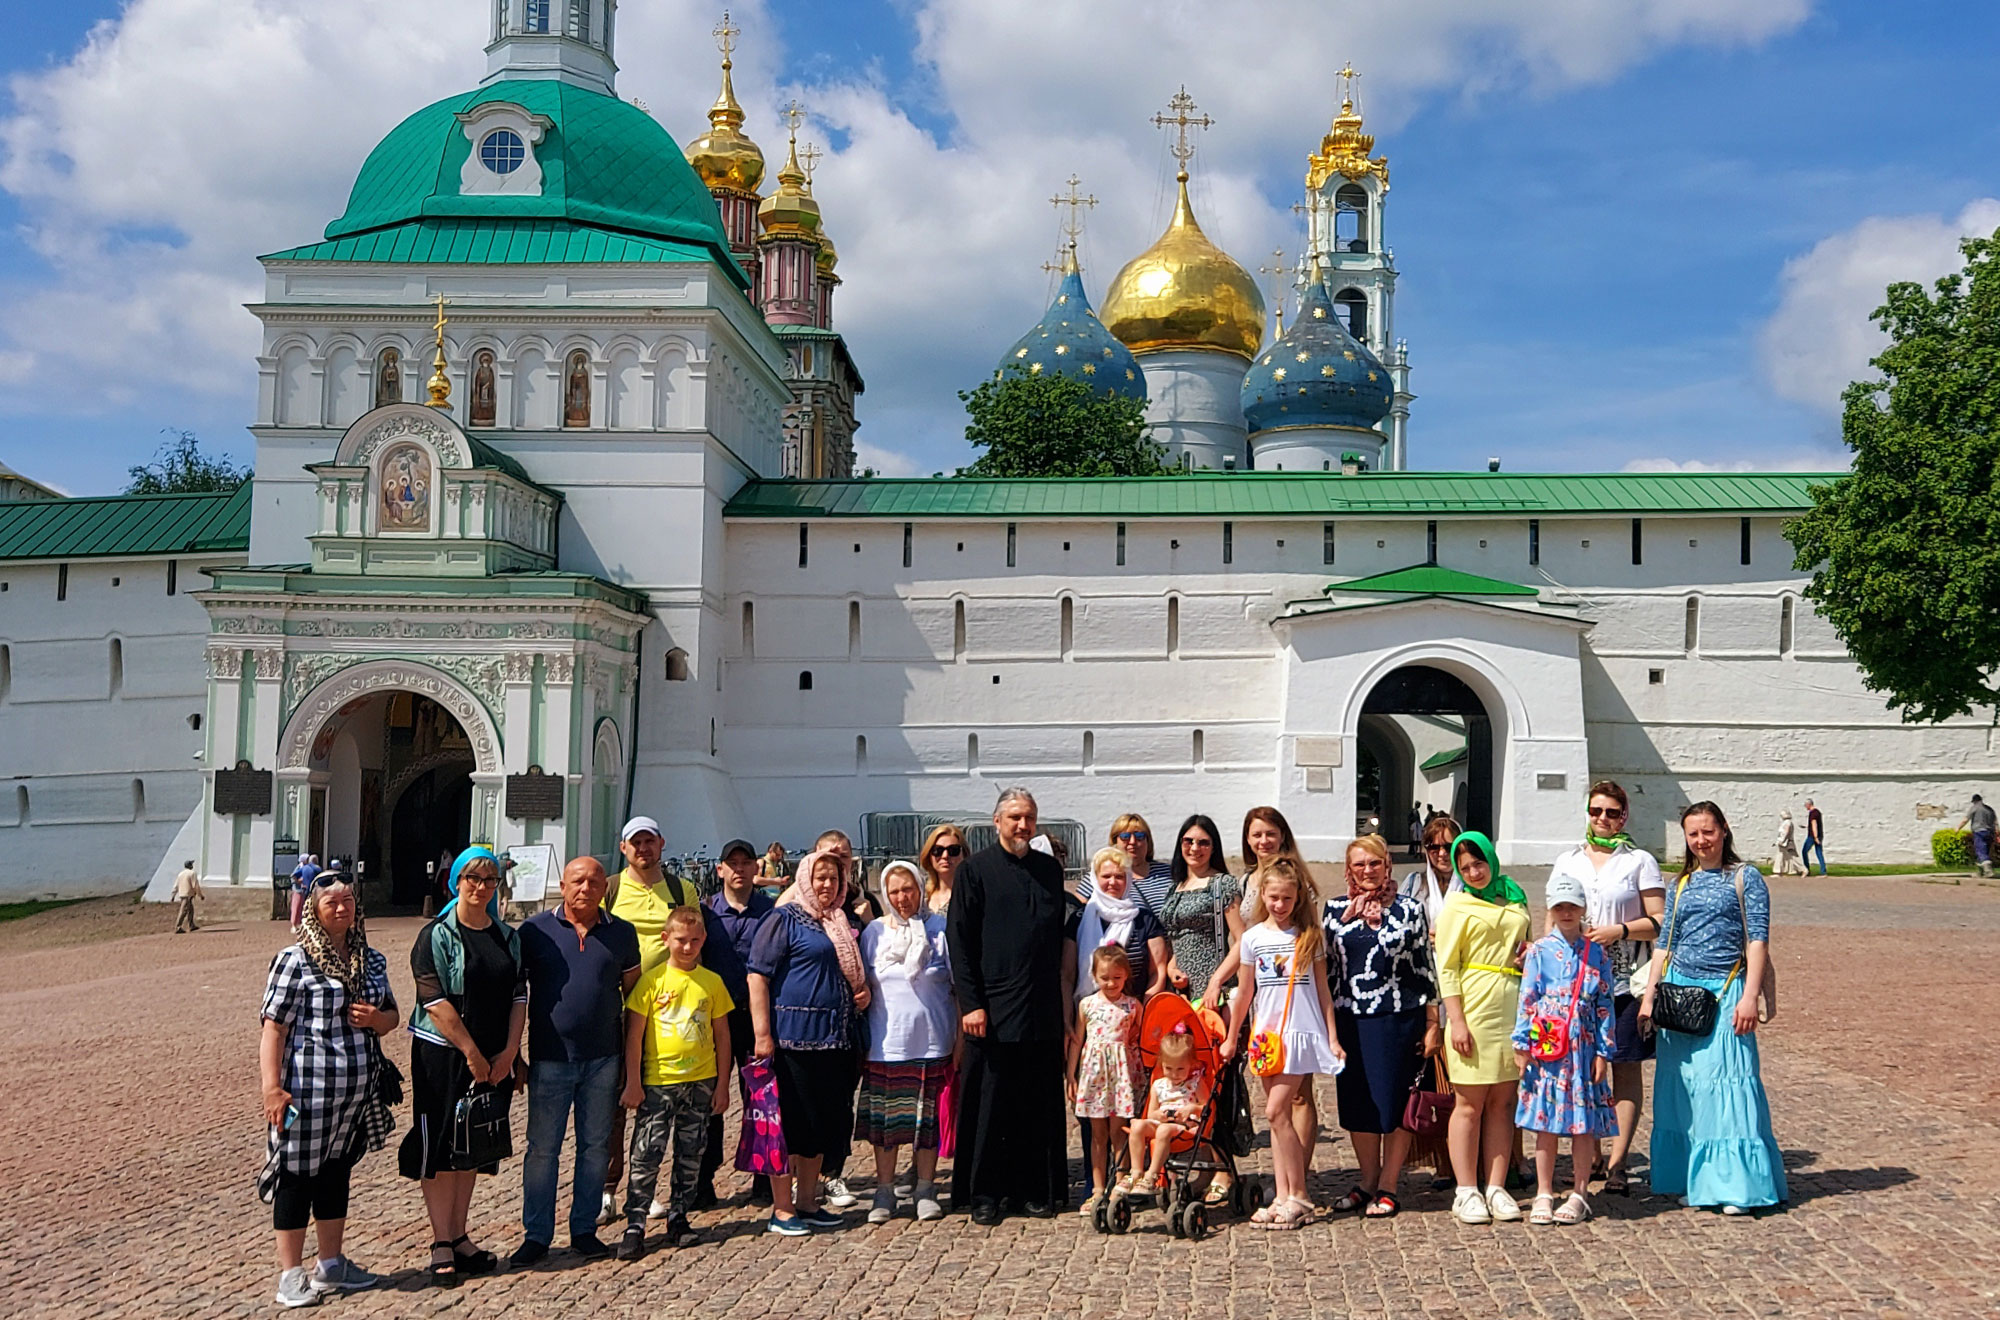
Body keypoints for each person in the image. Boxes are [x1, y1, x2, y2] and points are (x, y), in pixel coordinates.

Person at [258, 870, 397, 1308]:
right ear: (315, 911)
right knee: (297, 1178)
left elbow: (393, 1017)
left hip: (354, 1095)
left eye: (348, 902)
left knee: (336, 1175)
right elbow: (273, 1029)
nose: (341, 909)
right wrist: (271, 1088)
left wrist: (376, 1019)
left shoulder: (370, 961)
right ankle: (290, 1275)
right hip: (305, 1094)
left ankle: (331, 1264)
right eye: (331, 902)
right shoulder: (294, 960)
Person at [1640, 801, 1786, 1215]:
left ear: (1723, 830)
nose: (1701, 841)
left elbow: (1757, 939)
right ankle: (1697, 1178)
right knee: (1687, 1091)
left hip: (1725, 990)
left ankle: (1736, 1186)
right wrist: (1650, 997)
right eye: (1693, 834)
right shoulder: (1680, 883)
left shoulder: (1745, 878)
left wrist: (1749, 995)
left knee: (1725, 1086)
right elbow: (1664, 943)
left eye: (1708, 831)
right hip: (1680, 994)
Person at [601, 815, 745, 1222]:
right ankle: (610, 1188)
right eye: (636, 842)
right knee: (619, 1102)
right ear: (625, 848)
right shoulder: (611, 890)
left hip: (675, 1010)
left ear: (661, 844)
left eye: (650, 841)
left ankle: (680, 1194)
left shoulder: (681, 889)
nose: (643, 848)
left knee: (672, 1110)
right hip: (622, 1006)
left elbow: (695, 932)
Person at [398, 847, 525, 1286]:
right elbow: (432, 1001)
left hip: (493, 1057)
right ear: (457, 882)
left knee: (471, 1142)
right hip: (445, 1056)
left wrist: (510, 1051)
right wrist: (471, 1053)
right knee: (440, 1146)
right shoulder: (435, 936)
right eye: (472, 878)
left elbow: (518, 996)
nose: (481, 887)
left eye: (489, 880)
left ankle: (460, 1234)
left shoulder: (508, 937)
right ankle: (440, 1241)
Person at [946, 787, 1070, 1224]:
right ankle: (985, 1193)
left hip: (1039, 1008)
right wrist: (971, 1005)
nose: (1023, 825)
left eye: (1030, 818)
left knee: (1035, 1103)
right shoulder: (974, 872)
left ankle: (1035, 1189)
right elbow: (959, 944)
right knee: (989, 1104)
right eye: (1015, 817)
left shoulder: (1049, 871)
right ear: (996, 821)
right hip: (991, 1010)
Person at [512, 856, 640, 1266]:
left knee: (594, 1148)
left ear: (605, 888)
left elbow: (633, 999)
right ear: (563, 886)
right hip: (550, 1058)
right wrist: (513, 1052)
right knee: (542, 1150)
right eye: (577, 881)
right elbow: (515, 995)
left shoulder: (622, 933)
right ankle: (537, 1234)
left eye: (594, 881)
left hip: (603, 1057)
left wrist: (630, 1063)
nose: (585, 888)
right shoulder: (534, 932)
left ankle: (584, 1228)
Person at [1547, 780, 1665, 1196]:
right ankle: (1590, 1155)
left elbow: (1660, 920)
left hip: (1624, 980)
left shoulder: (1640, 861)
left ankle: (1618, 1162)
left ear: (1624, 816)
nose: (1603, 819)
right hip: (1579, 983)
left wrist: (1620, 929)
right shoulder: (1569, 860)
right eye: (1596, 811)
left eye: (1611, 812)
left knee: (1624, 1067)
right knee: (1583, 1071)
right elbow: (1552, 918)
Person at [747, 848, 868, 1235]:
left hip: (835, 1039)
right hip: (792, 1040)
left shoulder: (841, 921)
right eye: (820, 877)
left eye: (834, 878)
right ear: (805, 879)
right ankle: (782, 1209)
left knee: (820, 1124)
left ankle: (808, 1200)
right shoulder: (784, 918)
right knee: (791, 1125)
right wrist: (762, 1034)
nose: (827, 885)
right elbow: (757, 976)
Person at [1217, 858, 1343, 1230]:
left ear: (1296, 898)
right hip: (1266, 1036)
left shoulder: (1308, 937)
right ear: (1264, 897)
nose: (1279, 905)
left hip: (1299, 1033)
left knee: (1276, 1111)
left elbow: (1323, 993)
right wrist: (1231, 1037)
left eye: (1286, 898)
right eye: (1273, 897)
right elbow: (1244, 993)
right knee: (1277, 1118)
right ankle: (1284, 1195)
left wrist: (1332, 1037)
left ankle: (1299, 1193)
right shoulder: (1253, 938)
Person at [1324, 834, 1439, 1220]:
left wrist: (1432, 1022)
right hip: (1349, 1018)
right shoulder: (1334, 910)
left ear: (1387, 865)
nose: (1368, 871)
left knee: (1394, 1104)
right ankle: (1367, 1181)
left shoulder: (1409, 910)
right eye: (1360, 864)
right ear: (1349, 869)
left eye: (1374, 863)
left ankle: (1389, 1184)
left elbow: (1425, 968)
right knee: (1359, 1105)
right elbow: (1326, 970)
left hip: (1397, 1017)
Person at [618, 906, 733, 1257]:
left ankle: (679, 1215)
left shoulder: (711, 982)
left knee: (690, 1152)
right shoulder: (651, 982)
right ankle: (635, 1222)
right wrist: (633, 1082)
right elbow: (634, 1035)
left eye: (695, 941)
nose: (688, 947)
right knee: (646, 1153)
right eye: (681, 940)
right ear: (666, 939)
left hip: (700, 1080)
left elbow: (722, 1037)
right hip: (658, 1081)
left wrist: (723, 1084)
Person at [1435, 830, 1531, 1226]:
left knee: (1503, 1103)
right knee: (1470, 1104)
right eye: (1465, 867)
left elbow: (1526, 942)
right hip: (1474, 1005)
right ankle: (1465, 1188)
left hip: (1512, 1004)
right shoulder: (1456, 905)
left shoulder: (1514, 895)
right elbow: (1447, 965)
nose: (1474, 872)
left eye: (1479, 864)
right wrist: (1456, 1020)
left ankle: (1496, 1184)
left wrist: (1528, 958)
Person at [1512, 874, 1617, 1226]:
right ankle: (1544, 1190)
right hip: (1548, 1048)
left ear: (1583, 908)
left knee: (1582, 1125)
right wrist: (1522, 1044)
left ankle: (1580, 1192)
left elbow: (1605, 1004)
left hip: (1583, 1049)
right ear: (1551, 910)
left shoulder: (1597, 953)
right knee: (1546, 1123)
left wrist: (1603, 1051)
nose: (1567, 912)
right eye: (1560, 906)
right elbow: (1528, 998)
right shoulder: (1540, 951)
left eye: (1573, 906)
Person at [856, 860, 956, 1224]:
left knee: (926, 1123)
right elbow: (862, 982)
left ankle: (926, 1187)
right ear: (886, 893)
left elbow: (957, 986)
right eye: (895, 891)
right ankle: (884, 1190)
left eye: (908, 889)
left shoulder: (940, 929)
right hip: (887, 1042)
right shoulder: (874, 934)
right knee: (887, 1126)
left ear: (919, 888)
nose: (902, 897)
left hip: (932, 1040)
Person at [1231, 805, 1321, 1192]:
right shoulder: (1246, 881)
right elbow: (1245, 941)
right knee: (1279, 1102)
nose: (1263, 840)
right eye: (1256, 835)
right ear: (1248, 841)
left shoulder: (1297, 879)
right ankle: (1288, 1179)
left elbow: (1309, 934)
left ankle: (1298, 1175)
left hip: (1295, 999)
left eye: (1270, 833)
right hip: (1263, 995)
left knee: (1298, 1097)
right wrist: (1222, 979)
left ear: (1282, 835)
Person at [700, 839, 776, 1206]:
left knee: (760, 1098)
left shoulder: (771, 911)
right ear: (720, 870)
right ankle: (703, 1177)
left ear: (756, 869)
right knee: (709, 1099)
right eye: (733, 862)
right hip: (713, 1020)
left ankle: (763, 1176)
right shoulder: (706, 912)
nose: (740, 869)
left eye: (747, 862)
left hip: (754, 1017)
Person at [1067, 944, 1142, 1218]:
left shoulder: (1133, 1006)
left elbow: (1136, 1040)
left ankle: (1119, 1185)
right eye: (1105, 977)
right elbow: (1077, 1041)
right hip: (1094, 1076)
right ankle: (1097, 1188)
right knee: (1097, 1136)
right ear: (1095, 976)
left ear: (1126, 976)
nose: (1111, 983)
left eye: (1117, 978)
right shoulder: (1087, 1005)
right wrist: (1071, 1075)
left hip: (1120, 1078)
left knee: (1118, 1133)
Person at [1118, 1025, 1211, 1209]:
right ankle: (1136, 1172)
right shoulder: (1159, 1085)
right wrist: (1158, 1115)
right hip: (1163, 1123)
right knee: (1137, 1125)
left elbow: (1207, 1107)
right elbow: (1151, 1113)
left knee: (1163, 1129)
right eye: (1169, 1068)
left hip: (1185, 1127)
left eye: (1180, 1069)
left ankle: (1152, 1175)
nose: (1174, 1075)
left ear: (1191, 1065)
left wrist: (1193, 1108)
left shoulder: (1195, 1083)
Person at [1161, 814, 1244, 1005]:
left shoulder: (1223, 884)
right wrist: (1172, 969)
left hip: (1213, 986)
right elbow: (1177, 938)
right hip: (1181, 990)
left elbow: (1241, 940)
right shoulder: (1175, 887)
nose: (1195, 848)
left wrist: (1216, 982)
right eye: (1188, 841)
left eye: (1203, 843)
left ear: (1213, 847)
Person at [1073, 846, 1171, 1000]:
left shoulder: (1145, 920)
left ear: (1128, 879)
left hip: (1135, 1014)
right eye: (1106, 876)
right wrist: (1068, 1019)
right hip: (1087, 1015)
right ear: (1095, 879)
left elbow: (1158, 971)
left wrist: (1145, 1012)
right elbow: (1067, 975)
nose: (1112, 882)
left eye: (1119, 876)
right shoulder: (1078, 920)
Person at [1077, 813, 1173, 912]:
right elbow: (1076, 908)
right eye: (1125, 836)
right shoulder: (1101, 875)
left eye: (1139, 836)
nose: (1132, 842)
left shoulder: (1169, 873)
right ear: (1115, 842)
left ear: (1148, 841)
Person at [1401, 813, 1463, 930]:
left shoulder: (1472, 886)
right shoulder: (1414, 884)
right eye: (1434, 847)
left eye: (1448, 847)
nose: (1442, 853)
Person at [918, 823, 968, 915]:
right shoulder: (920, 896)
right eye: (938, 850)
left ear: (964, 854)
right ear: (929, 854)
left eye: (953, 850)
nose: (945, 856)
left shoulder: (970, 896)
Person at [1963, 795, 1996, 878]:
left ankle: (1988, 871)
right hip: (1990, 832)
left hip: (1979, 831)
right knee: (1985, 851)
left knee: (1981, 850)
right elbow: (1995, 821)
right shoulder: (1989, 809)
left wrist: (1957, 828)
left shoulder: (1974, 808)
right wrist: (1997, 832)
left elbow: (1965, 819)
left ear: (1974, 801)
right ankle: (1981, 872)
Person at [288, 853, 319, 929]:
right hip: (297, 890)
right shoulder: (299, 867)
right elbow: (293, 876)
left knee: (301, 907)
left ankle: (299, 923)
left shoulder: (306, 867)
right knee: (296, 907)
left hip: (303, 891)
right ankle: (294, 924)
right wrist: (299, 881)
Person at [172, 859, 203, 933]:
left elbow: (176, 886)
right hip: (188, 894)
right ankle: (178, 927)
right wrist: (200, 895)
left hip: (182, 894)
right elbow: (195, 885)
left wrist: (173, 895)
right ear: (190, 866)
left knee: (190, 910)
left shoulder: (180, 874)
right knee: (183, 911)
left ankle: (191, 925)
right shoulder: (192, 873)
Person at [1773, 811, 1803, 877]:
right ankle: (1794, 870)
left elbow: (1786, 832)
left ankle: (1778, 871)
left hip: (1785, 843)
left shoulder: (1787, 823)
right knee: (1789, 857)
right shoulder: (1787, 822)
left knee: (1782, 856)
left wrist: (1782, 841)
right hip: (1785, 842)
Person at [1801, 798, 1826, 875]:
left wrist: (1815, 837)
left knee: (1804, 851)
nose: (1806, 807)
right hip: (1819, 835)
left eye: (1806, 805)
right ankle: (1823, 871)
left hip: (1812, 836)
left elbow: (1814, 824)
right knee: (1819, 853)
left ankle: (1806, 869)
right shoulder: (1818, 812)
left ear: (1809, 804)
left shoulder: (1813, 813)